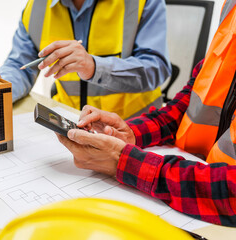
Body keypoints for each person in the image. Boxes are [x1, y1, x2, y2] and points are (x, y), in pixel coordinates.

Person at [57, 0, 236, 227]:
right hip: (198, 173)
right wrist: (131, 133)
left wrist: (125, 162)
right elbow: (189, 103)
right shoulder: (232, 8)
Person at [0, 0, 171, 119]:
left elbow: (157, 67)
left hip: (133, 127)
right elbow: (19, 65)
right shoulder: (37, 7)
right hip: (68, 123)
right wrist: (0, 86)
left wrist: (94, 67)